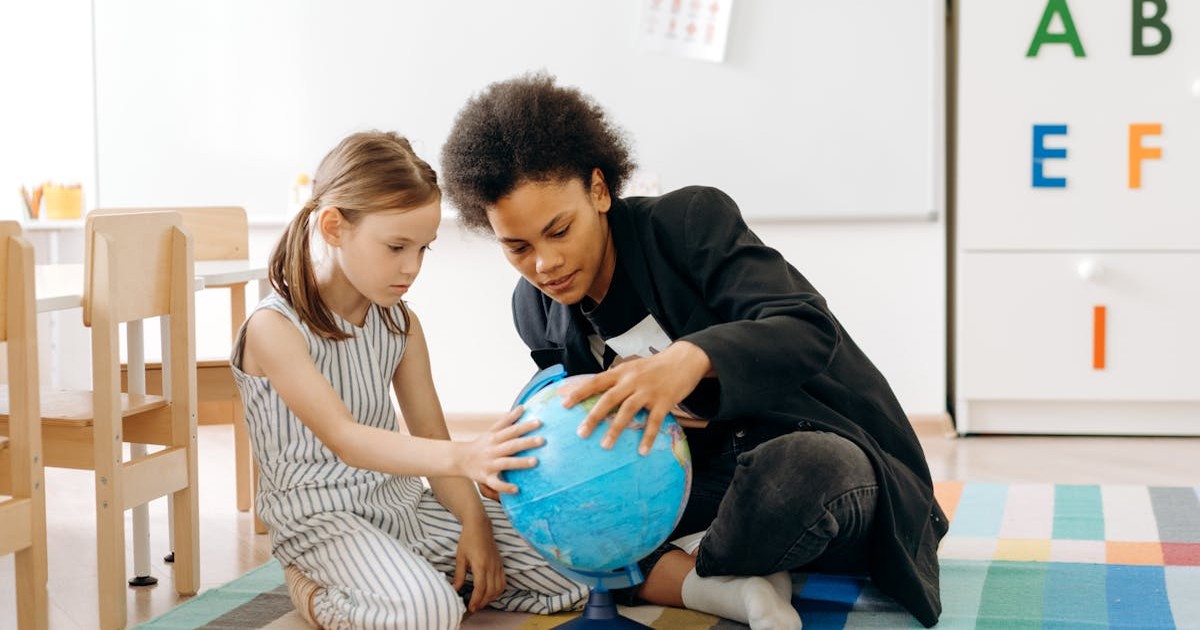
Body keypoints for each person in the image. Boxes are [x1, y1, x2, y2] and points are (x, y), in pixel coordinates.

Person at [440, 74, 947, 629]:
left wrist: (689, 360)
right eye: (517, 247)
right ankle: (728, 572)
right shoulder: (534, 309)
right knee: (529, 514)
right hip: (699, 482)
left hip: (811, 459)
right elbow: (568, 415)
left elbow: (805, 327)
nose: (545, 264)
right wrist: (517, 462)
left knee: (802, 471)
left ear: (599, 191)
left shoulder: (687, 224)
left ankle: (691, 566)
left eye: (559, 230)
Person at [231, 130, 588, 630]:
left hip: (403, 507)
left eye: (423, 249)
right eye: (397, 246)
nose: (412, 267)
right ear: (334, 227)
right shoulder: (274, 328)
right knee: (429, 613)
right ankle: (313, 588)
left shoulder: (399, 323)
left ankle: (405, 578)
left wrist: (475, 523)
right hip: (322, 523)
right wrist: (468, 455)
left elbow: (431, 440)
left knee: (576, 570)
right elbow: (348, 441)